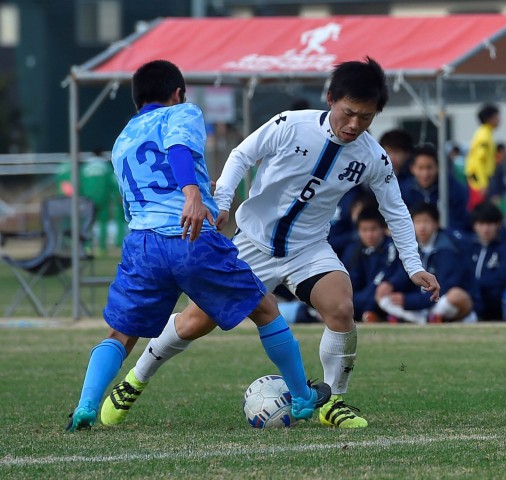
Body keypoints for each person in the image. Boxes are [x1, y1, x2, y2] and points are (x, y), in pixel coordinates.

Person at [103, 57, 440, 429]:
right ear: (330, 98)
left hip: (308, 250)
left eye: (366, 117)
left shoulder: (372, 157)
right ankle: (135, 380)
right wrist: (225, 201)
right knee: (195, 322)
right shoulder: (289, 125)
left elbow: (395, 209)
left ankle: (333, 401)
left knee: (341, 307)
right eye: (349, 113)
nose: (355, 125)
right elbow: (241, 155)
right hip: (253, 244)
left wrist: (414, 266)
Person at [65, 60, 330, 432]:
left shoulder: (123, 137)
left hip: (142, 245)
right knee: (266, 309)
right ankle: (303, 397)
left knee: (121, 334)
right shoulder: (183, 112)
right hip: (189, 236)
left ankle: (86, 406)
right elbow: (177, 149)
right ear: (177, 93)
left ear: (136, 100)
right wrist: (191, 192)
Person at [376, 202, 480, 324]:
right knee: (382, 295)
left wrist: (409, 301)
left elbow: (445, 287)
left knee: (456, 296)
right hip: (421, 305)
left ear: (436, 224)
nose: (422, 227)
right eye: (418, 222)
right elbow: (403, 276)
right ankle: (424, 319)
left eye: (426, 222)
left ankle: (420, 318)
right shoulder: (409, 247)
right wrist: (391, 284)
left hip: (442, 301)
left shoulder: (448, 249)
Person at [341, 207, 403, 323]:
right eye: (364, 230)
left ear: (383, 229)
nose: (369, 234)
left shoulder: (392, 247)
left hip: (385, 297)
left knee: (382, 291)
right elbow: (351, 280)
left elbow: (383, 278)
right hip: (361, 299)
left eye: (373, 229)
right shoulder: (354, 250)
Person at [57, 149, 126, 253]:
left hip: (83, 199)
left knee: (86, 223)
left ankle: (86, 246)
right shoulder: (106, 167)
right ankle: (103, 247)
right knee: (103, 222)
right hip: (103, 198)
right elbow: (113, 183)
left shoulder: (83, 168)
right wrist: (116, 196)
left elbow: (78, 184)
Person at [467, 202, 506, 320]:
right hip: (471, 297)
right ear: (474, 225)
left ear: (498, 224)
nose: (486, 229)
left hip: (494, 302)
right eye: (481, 224)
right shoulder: (468, 246)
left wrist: (476, 285)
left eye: (490, 224)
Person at [399, 143, 470, 232]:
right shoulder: (402, 191)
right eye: (420, 168)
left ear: (438, 167)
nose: (425, 174)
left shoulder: (453, 189)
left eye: (429, 167)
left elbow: (459, 220)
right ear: (412, 168)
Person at [465, 103, 500, 210]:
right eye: (497, 116)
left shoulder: (485, 133)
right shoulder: (484, 136)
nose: (499, 120)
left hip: (481, 178)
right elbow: (479, 161)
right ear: (490, 118)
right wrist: (482, 184)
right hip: (479, 180)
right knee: (480, 211)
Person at [486, 143, 506, 214]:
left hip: (498, 195)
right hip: (495, 196)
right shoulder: (494, 165)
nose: (505, 155)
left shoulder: (500, 164)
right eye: (504, 152)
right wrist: (495, 195)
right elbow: (493, 181)